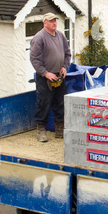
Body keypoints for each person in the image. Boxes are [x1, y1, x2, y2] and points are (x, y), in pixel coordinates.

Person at [30, 13, 71, 142]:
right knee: (44, 103)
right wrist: (46, 73)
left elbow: (67, 53)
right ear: (45, 23)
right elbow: (34, 59)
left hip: (59, 76)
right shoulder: (39, 38)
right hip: (45, 77)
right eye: (51, 21)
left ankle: (59, 129)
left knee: (60, 103)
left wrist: (65, 66)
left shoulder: (60, 35)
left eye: (55, 20)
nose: (54, 23)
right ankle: (41, 130)